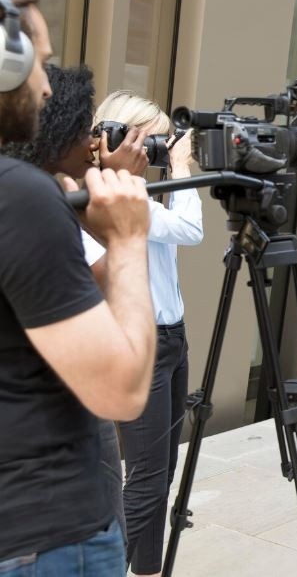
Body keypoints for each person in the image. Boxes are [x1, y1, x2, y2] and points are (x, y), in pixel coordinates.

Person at [0, 0, 155, 577]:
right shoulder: (19, 198)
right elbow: (121, 391)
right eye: (39, 61)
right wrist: (127, 237)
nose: (44, 83)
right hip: (45, 540)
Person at [94, 89, 203, 577]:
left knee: (162, 475)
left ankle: (148, 570)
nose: (157, 153)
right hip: (141, 346)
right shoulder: (112, 196)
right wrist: (182, 168)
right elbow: (191, 230)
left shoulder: (142, 193)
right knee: (144, 479)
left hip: (172, 338)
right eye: (152, 142)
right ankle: (103, 569)